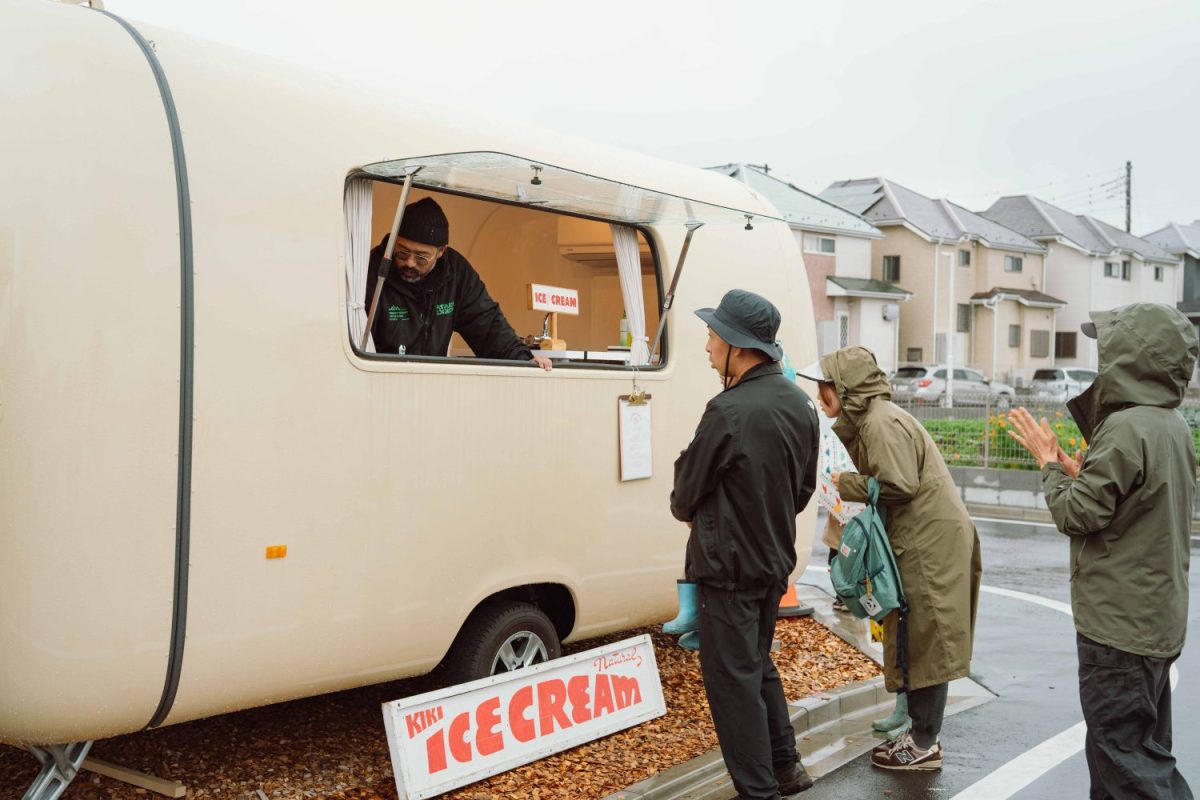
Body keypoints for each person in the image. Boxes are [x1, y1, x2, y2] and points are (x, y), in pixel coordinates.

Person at [1007, 303, 1197, 799]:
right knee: (1141, 750)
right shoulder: (1170, 424)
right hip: (1155, 617)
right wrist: (1079, 474)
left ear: (1133, 357)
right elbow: (1135, 502)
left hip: (1118, 625)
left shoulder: (1125, 427)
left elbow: (1076, 516)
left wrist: (1049, 465)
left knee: (1126, 763)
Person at [797, 347, 981, 771]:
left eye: (824, 385)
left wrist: (848, 482)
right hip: (924, 538)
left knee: (927, 638)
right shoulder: (876, 418)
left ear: (845, 388)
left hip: (929, 543)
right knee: (916, 634)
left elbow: (898, 483)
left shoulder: (880, 421)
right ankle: (919, 734)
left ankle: (923, 745)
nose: (820, 394)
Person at [671, 289, 820, 799]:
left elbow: (685, 492)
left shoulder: (727, 410)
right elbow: (802, 490)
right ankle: (787, 767)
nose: (708, 345)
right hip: (772, 564)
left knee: (733, 687)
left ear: (737, 344)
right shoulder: (800, 403)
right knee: (757, 668)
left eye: (712, 335)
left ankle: (760, 791)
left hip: (727, 571)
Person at [364, 197, 552, 370]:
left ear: (441, 252)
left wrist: (523, 360)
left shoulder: (455, 274)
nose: (410, 263)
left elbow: (487, 324)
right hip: (382, 382)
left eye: (421, 257)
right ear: (394, 239)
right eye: (402, 252)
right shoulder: (371, 270)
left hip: (432, 383)